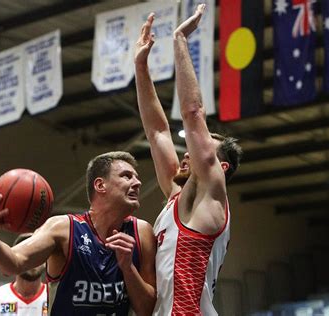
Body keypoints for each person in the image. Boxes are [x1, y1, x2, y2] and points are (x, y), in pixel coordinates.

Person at [134, 5, 242, 315]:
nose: (187, 153)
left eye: (197, 151)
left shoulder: (211, 198)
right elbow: (157, 132)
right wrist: (141, 68)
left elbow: (193, 113)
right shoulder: (177, 194)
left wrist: (180, 40)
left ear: (220, 168)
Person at [0, 151, 156, 316]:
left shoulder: (142, 232)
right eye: (127, 176)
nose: (137, 182)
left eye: (136, 177)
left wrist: (128, 268)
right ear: (100, 185)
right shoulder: (63, 228)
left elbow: (147, 309)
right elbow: (13, 263)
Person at [0, 233, 47, 316]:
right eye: (27, 255)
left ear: (45, 260)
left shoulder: (56, 298)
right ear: (14, 258)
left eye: (37, 254)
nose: (32, 260)